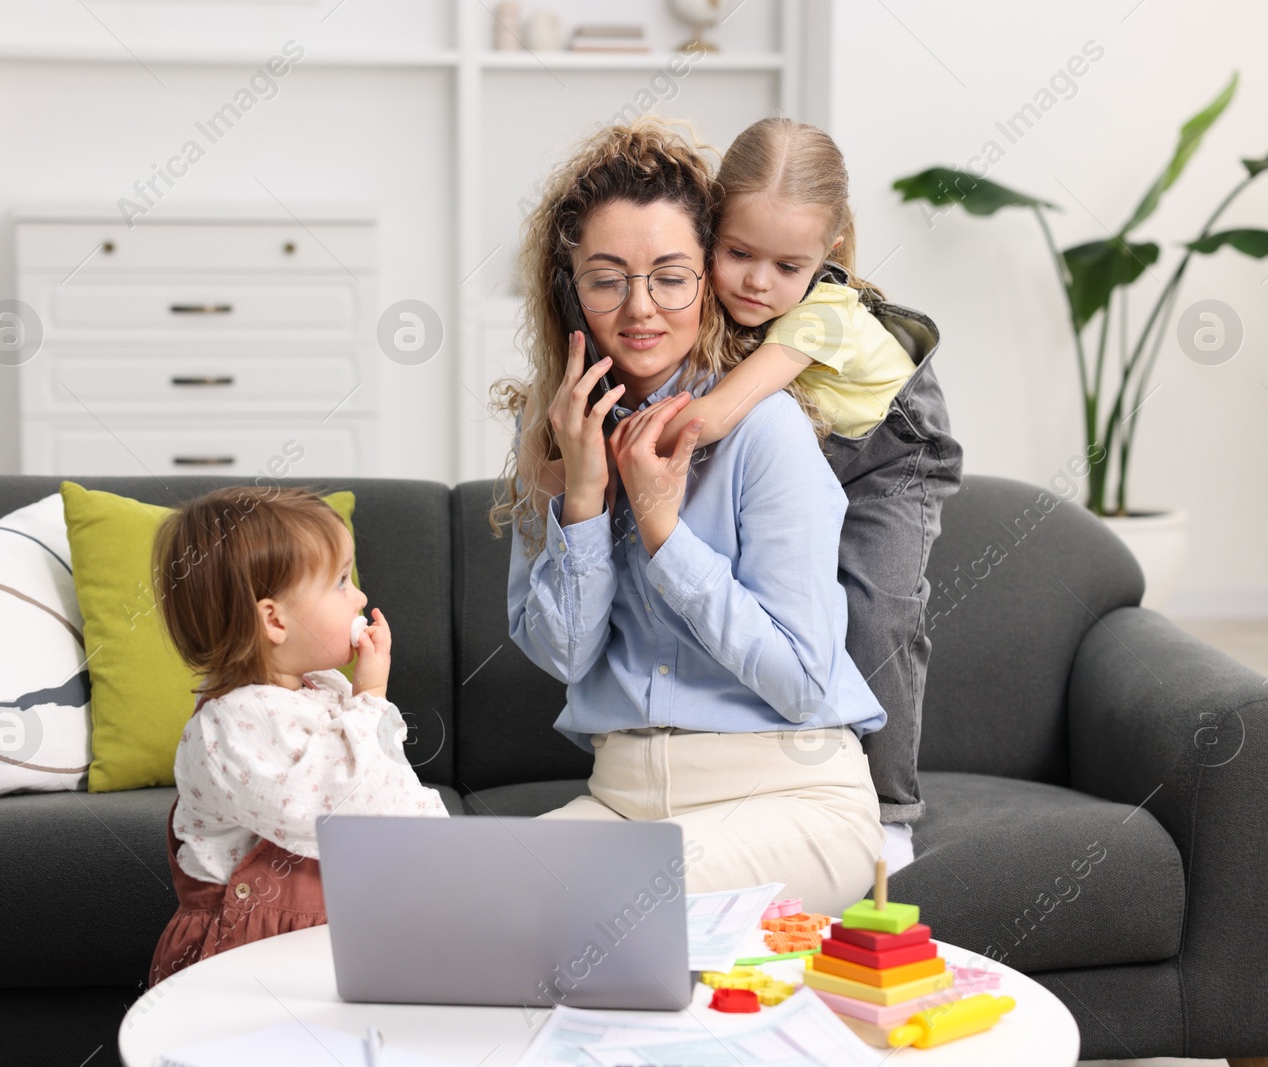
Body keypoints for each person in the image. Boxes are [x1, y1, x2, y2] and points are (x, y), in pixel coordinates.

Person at [490, 117, 886, 917]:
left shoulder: (764, 429)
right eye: (607, 278)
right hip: (624, 801)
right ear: (571, 287)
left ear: (705, 279)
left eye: (670, 276)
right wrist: (584, 500)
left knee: (596, 905)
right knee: (483, 904)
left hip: (791, 800)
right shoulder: (560, 433)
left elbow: (804, 682)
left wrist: (665, 530)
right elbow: (566, 656)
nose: (640, 308)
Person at [644, 117, 965, 847]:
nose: (758, 281)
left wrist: (605, 449)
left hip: (894, 455)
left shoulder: (822, 314)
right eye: (737, 253)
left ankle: (889, 811)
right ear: (707, 233)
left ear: (831, 254)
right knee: (789, 610)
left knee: (878, 611)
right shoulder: (705, 298)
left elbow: (718, 411)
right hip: (822, 446)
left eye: (787, 266)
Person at [146, 486, 447, 988]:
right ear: (275, 620)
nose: (360, 597)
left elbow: (393, 787)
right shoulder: (235, 722)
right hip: (247, 944)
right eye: (341, 582)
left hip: (320, 926)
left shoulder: (321, 688)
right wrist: (371, 695)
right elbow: (355, 812)